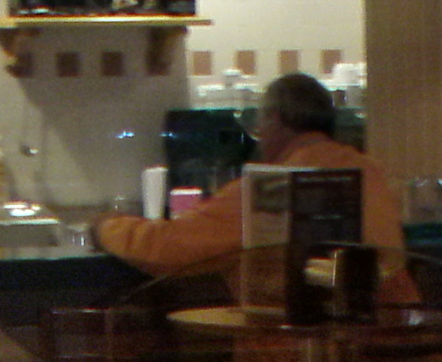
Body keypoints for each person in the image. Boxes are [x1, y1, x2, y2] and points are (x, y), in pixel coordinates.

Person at [93, 71, 404, 290]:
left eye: (260, 122)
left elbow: (167, 249)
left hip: (294, 347)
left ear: (274, 120)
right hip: (396, 340)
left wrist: (106, 227)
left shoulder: (271, 187)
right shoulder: (371, 172)